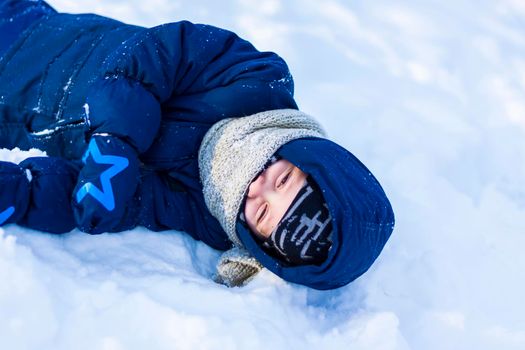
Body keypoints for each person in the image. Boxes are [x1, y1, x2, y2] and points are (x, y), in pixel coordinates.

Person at [0, 0, 395, 290]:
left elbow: (130, 200)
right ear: (312, 158)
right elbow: (160, 52)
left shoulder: (210, 212)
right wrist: (116, 139)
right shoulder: (258, 81)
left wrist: (22, 193)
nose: (257, 187)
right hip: (30, 37)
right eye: (283, 180)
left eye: (260, 212)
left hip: (12, 118)